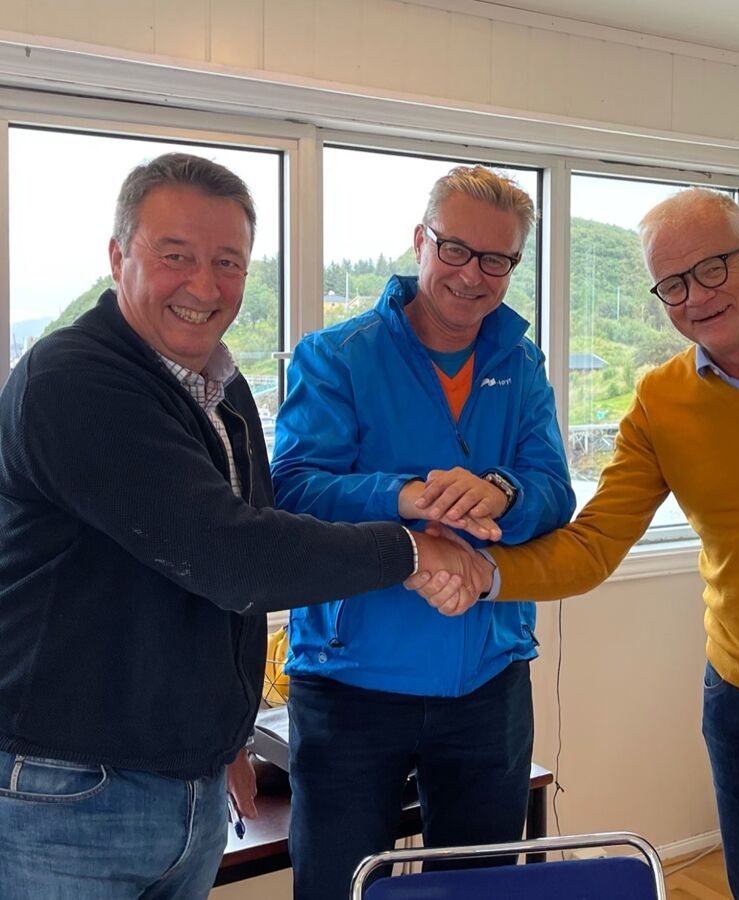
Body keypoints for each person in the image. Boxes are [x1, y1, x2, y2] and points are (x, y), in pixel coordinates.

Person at [0, 152, 481, 900]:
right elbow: (234, 557)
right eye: (176, 256)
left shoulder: (218, 392)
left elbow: (231, 575)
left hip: (181, 782)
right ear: (117, 257)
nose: (204, 285)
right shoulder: (75, 378)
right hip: (68, 792)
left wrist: (225, 735)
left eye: (228, 262)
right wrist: (413, 550)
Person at [411, 188, 739, 900]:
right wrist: (483, 574)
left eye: (712, 268)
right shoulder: (660, 401)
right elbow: (595, 543)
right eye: (672, 283)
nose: (695, 297)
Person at [270, 164, 574, 900]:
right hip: (351, 685)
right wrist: (412, 497)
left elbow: (553, 491)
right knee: (340, 888)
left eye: (497, 259)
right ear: (420, 242)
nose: (473, 276)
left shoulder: (520, 360)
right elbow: (294, 489)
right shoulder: (336, 355)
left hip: (489, 679)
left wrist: (500, 489)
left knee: (480, 889)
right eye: (456, 249)